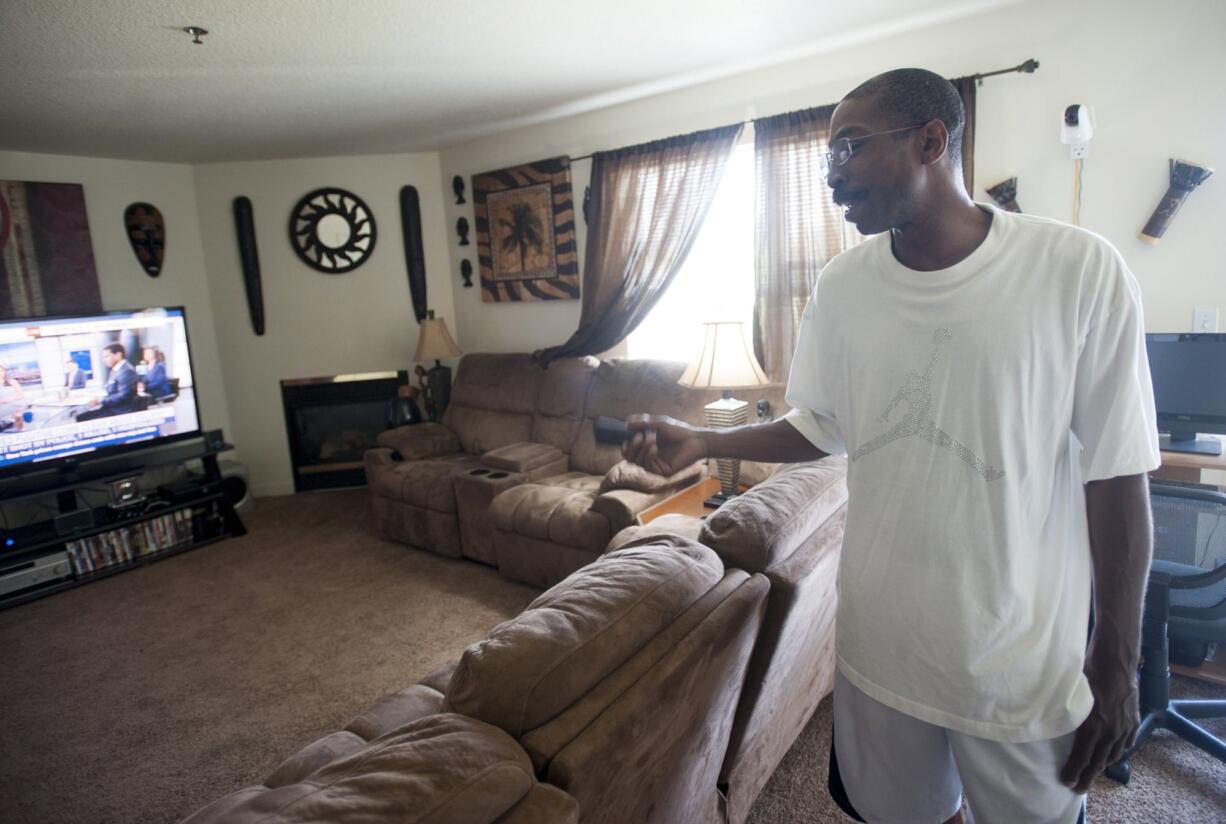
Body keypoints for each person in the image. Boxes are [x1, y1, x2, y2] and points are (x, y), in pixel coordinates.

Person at [623, 68, 1158, 824]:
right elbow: (821, 425)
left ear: (931, 141)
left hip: (1020, 665)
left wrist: (1116, 661)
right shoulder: (843, 288)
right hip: (881, 651)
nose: (831, 175)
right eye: (825, 157)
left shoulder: (1077, 271)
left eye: (848, 148)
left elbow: (1118, 474)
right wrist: (705, 441)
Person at [76, 343, 141, 421]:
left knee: (83, 419)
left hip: (120, 412)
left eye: (107, 356)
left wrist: (100, 400)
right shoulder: (117, 370)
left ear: (118, 355)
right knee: (81, 417)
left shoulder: (126, 371)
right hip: (114, 408)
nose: (104, 360)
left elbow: (123, 396)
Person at [0, 363, 26, 432]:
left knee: (18, 414)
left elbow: (21, 395)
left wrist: (8, 400)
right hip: (2, 408)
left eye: (1, 371)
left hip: (14, 404)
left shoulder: (12, 382)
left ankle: (20, 429)